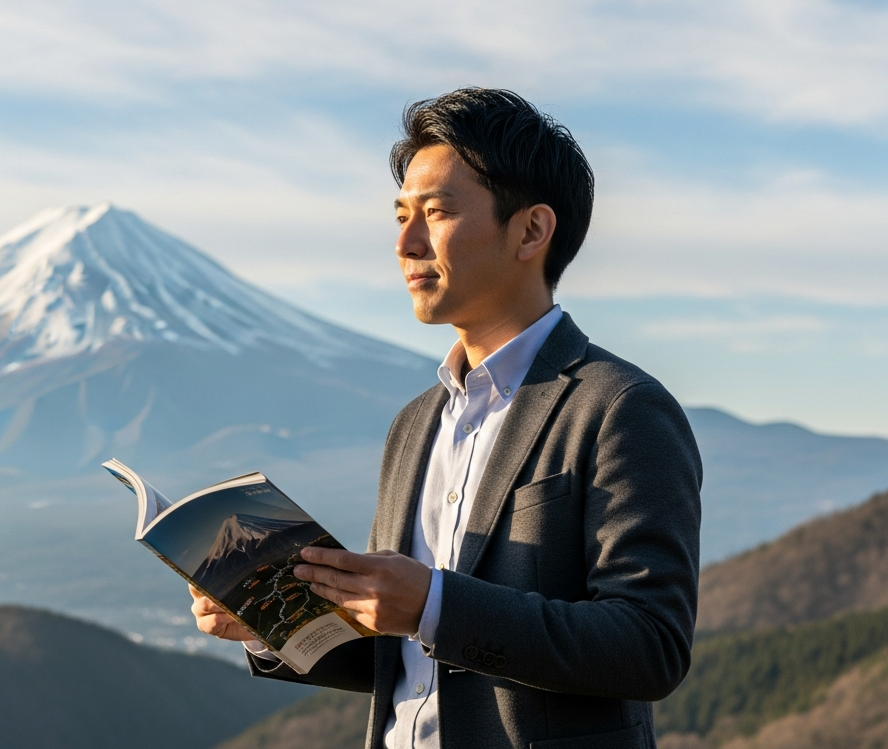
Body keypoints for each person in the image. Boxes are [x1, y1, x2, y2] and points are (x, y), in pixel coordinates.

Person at [189, 88, 701, 749]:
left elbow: (649, 645)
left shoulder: (618, 407)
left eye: (436, 213)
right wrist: (270, 626)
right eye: (401, 215)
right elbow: (404, 659)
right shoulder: (414, 423)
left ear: (532, 231)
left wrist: (434, 603)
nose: (406, 242)